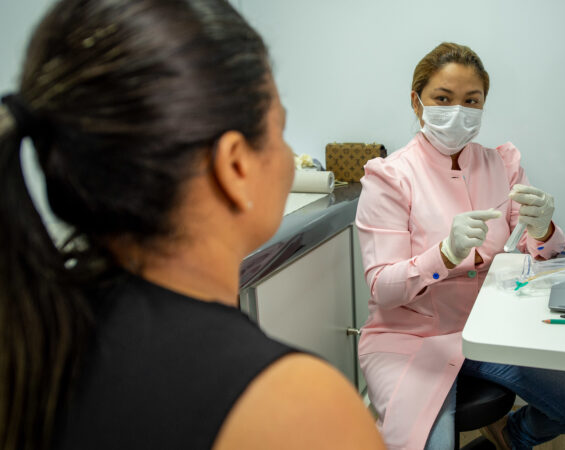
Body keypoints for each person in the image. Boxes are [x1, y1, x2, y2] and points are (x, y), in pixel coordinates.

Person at [0, 1, 385, 449]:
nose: (285, 156)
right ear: (235, 165)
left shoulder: (29, 344)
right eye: (279, 131)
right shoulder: (297, 410)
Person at [355, 42, 565, 449]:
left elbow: (534, 253)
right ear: (417, 103)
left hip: (490, 331)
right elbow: (383, 289)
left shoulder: (500, 164)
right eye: (443, 98)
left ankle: (510, 438)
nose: (458, 111)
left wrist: (543, 230)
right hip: (412, 339)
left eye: (471, 101)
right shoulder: (390, 178)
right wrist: (444, 255)